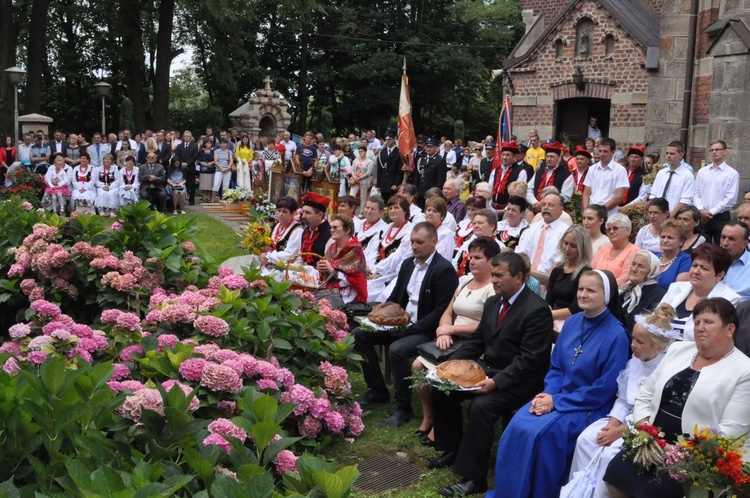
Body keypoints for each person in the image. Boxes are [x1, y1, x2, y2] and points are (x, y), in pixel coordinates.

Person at [488, 270, 629, 498]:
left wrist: (557, 401)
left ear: (607, 294)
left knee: (543, 436)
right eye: (581, 288)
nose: (583, 294)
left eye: (591, 290)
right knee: (518, 425)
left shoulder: (617, 335)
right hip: (556, 396)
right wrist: (548, 395)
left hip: (588, 406)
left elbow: (604, 389)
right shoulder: (573, 322)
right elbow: (557, 367)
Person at [428, 251, 554, 497]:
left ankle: (474, 479)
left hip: (522, 380)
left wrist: (496, 382)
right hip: (492, 369)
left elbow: (529, 360)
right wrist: (447, 365)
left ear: (518, 277)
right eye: (493, 275)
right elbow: (478, 341)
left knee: (482, 407)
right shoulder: (494, 302)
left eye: (499, 275)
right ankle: (453, 448)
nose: (493, 280)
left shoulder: (536, 310)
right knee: (442, 388)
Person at [603, 298, 750, 498]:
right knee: (614, 476)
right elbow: (646, 395)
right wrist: (646, 429)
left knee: (655, 491)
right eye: (697, 322)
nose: (700, 328)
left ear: (730, 328)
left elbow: (732, 429)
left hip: (693, 457)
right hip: (651, 443)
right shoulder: (678, 349)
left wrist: (679, 450)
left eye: (708, 322)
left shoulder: (744, 370)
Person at [567, 303, 677, 498]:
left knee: (610, 454)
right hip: (623, 419)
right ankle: (578, 492)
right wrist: (611, 426)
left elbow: (654, 415)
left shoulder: (667, 370)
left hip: (644, 428)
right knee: (587, 439)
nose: (633, 345)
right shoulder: (634, 362)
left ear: (659, 347)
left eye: (640, 342)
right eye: (633, 339)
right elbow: (623, 400)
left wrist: (620, 432)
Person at [353, 222, 459, 426]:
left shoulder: (444, 270)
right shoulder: (408, 264)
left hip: (427, 329)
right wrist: (381, 317)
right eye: (412, 241)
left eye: (419, 242)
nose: (414, 246)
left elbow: (440, 313)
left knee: (397, 350)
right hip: (401, 324)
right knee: (359, 333)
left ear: (434, 242)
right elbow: (396, 297)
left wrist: (407, 330)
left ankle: (403, 408)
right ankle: (378, 390)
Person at [411, 236, 500, 446]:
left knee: (438, 374)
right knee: (416, 366)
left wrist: (452, 329)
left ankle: (439, 428)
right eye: (471, 256)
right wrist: (444, 332)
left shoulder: (493, 289)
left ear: (492, 260)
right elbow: (448, 310)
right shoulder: (467, 281)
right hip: (451, 339)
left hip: (473, 345)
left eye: (478, 257)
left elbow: (486, 326)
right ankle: (429, 416)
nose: (472, 261)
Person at [659, 243, 739, 340]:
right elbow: (654, 321)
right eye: (694, 265)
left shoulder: (728, 298)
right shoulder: (675, 288)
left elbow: (714, 338)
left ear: (719, 275)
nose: (696, 271)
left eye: (704, 268)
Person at [367, 195, 414, 300]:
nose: (392, 211)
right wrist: (369, 267)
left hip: (391, 273)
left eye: (396, 207)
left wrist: (377, 271)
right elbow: (372, 250)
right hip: (374, 270)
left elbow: (398, 258)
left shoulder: (409, 232)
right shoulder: (384, 229)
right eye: (391, 208)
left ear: (405, 211)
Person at [546, 225, 593, 328]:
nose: (567, 249)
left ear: (582, 248)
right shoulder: (557, 270)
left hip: (572, 321)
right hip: (552, 317)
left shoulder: (585, 273)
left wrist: (549, 315)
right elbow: (549, 300)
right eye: (565, 243)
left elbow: (576, 309)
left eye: (573, 246)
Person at [693, 140, 739, 244]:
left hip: (720, 217)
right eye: (712, 150)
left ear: (725, 152)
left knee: (721, 248)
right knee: (701, 247)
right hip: (702, 216)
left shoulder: (732, 174)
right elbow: (696, 193)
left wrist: (711, 212)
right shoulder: (702, 172)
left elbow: (731, 198)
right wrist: (700, 209)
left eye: (717, 149)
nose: (714, 152)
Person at [316, 214, 367, 303]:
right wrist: (321, 268)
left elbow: (352, 280)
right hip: (331, 290)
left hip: (350, 292)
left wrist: (331, 270)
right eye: (331, 227)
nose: (331, 230)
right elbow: (326, 270)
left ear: (347, 230)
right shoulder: (332, 247)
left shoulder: (355, 249)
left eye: (335, 227)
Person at [515, 192, 568, 274]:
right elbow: (521, 253)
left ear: (561, 209)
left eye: (551, 205)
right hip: (525, 275)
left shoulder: (565, 231)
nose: (546, 207)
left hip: (547, 278)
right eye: (543, 204)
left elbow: (560, 261)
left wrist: (546, 282)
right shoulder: (533, 227)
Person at [619, 250, 667, 333]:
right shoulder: (623, 289)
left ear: (652, 271)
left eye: (640, 266)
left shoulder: (658, 295)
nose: (634, 269)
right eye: (633, 264)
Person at [582, 138, 629, 217]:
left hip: (609, 213)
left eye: (605, 151)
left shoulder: (620, 170)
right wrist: (587, 210)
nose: (602, 154)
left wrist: (601, 210)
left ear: (613, 152)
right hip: (591, 212)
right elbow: (586, 193)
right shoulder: (592, 169)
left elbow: (619, 196)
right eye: (600, 151)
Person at [591, 213, 640, 286]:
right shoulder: (603, 250)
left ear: (628, 230)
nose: (611, 231)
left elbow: (625, 279)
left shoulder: (634, 251)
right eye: (608, 229)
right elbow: (590, 271)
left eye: (615, 228)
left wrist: (601, 287)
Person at [649, 141, 694, 217]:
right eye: (667, 153)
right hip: (657, 216)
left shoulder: (687, 175)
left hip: (675, 217)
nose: (668, 156)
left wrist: (670, 216)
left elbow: (685, 201)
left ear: (681, 154)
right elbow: (654, 195)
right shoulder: (661, 173)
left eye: (672, 153)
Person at [453, 208, 503, 276]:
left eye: (480, 223)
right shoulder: (467, 243)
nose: (476, 226)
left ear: (492, 226)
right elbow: (455, 263)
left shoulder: (499, 247)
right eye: (474, 223)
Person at [526, 141, 574, 209]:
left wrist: (546, 205)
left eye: (552, 157)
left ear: (559, 158)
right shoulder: (539, 172)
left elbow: (565, 196)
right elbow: (529, 189)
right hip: (536, 208)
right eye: (547, 156)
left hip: (555, 212)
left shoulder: (566, 175)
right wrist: (535, 202)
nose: (549, 159)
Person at [259, 196, 304, 266]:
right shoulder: (276, 226)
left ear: (293, 213)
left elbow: (289, 254)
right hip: (271, 263)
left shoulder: (297, 230)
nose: (280, 214)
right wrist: (262, 254)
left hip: (287, 267)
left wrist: (269, 256)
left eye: (284, 212)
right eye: (279, 211)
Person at [654, 218, 691, 289]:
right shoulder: (653, 256)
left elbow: (678, 290)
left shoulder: (686, 260)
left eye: (670, 238)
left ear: (681, 241)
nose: (665, 240)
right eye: (663, 237)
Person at [720, 220, 750, 301]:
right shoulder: (710, 259)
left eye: (731, 239)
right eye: (723, 237)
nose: (725, 243)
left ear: (745, 244)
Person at [411, 138, 446, 207]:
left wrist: (436, 191)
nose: (428, 149)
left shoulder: (440, 160)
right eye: (427, 147)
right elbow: (417, 176)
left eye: (431, 147)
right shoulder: (421, 159)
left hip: (431, 191)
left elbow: (441, 178)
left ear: (436, 148)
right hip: (420, 190)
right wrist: (415, 189)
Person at [356, 196, 388, 270]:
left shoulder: (384, 229)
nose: (369, 211)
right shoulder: (358, 224)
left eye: (373, 209)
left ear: (380, 212)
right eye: (367, 207)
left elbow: (374, 254)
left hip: (366, 266)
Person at [299, 192, 331, 264]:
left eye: (307, 213)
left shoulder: (329, 234)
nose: (303, 216)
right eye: (303, 212)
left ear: (320, 215)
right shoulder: (306, 231)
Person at [424, 197, 456, 261]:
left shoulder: (446, 234)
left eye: (434, 211)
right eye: (429, 210)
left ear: (442, 216)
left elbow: (444, 259)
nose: (430, 213)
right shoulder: (422, 230)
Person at [350, 146, 373, 212]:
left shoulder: (369, 161)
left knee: (363, 197)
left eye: (362, 151)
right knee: (352, 195)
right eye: (359, 151)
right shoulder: (356, 160)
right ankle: (351, 210)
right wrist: (354, 176)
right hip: (355, 180)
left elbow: (368, 172)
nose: (360, 153)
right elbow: (352, 169)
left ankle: (362, 211)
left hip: (364, 180)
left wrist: (360, 178)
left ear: (366, 152)